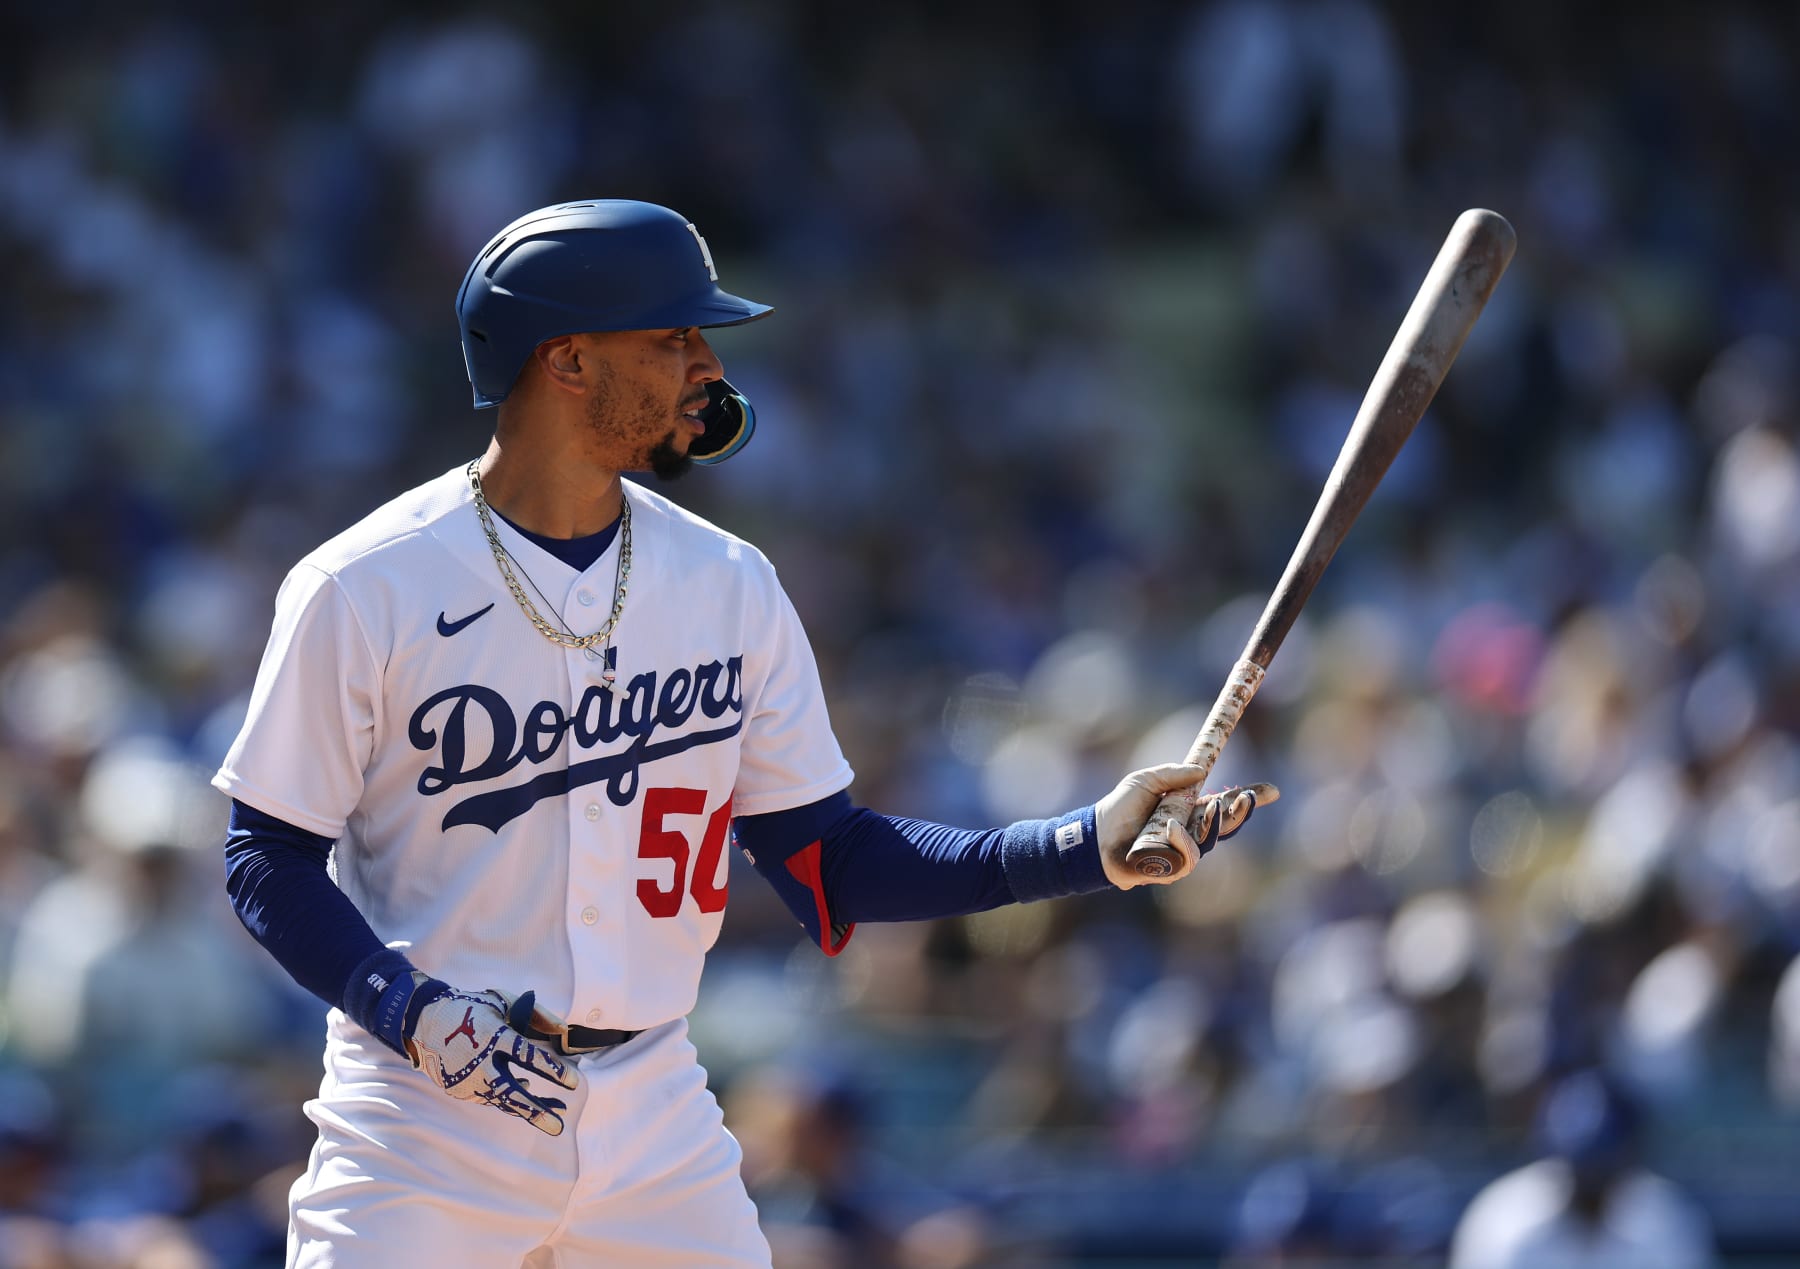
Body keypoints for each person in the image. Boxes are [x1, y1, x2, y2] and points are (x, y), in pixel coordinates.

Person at [214, 198, 1275, 1267]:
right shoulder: (364, 585)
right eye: (671, 337)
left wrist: (1082, 845)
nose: (704, 366)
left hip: (653, 1114)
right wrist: (404, 1009)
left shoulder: (729, 584)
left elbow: (830, 861)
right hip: (425, 1114)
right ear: (569, 360)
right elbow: (266, 854)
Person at [1447, 1069, 1715, 1269]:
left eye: (1604, 1166)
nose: (1592, 1179)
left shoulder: (1664, 1218)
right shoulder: (1506, 1222)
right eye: (1582, 1167)